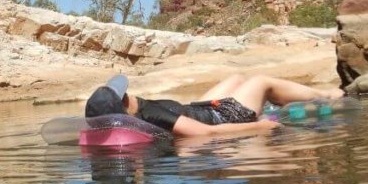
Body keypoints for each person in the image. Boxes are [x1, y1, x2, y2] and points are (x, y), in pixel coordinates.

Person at [85, 73, 343, 138]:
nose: (129, 93)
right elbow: (207, 133)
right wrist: (258, 127)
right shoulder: (151, 115)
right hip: (223, 117)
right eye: (124, 95)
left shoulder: (142, 113)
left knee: (237, 79)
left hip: (199, 107)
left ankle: (279, 98)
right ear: (123, 106)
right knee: (261, 81)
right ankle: (323, 95)